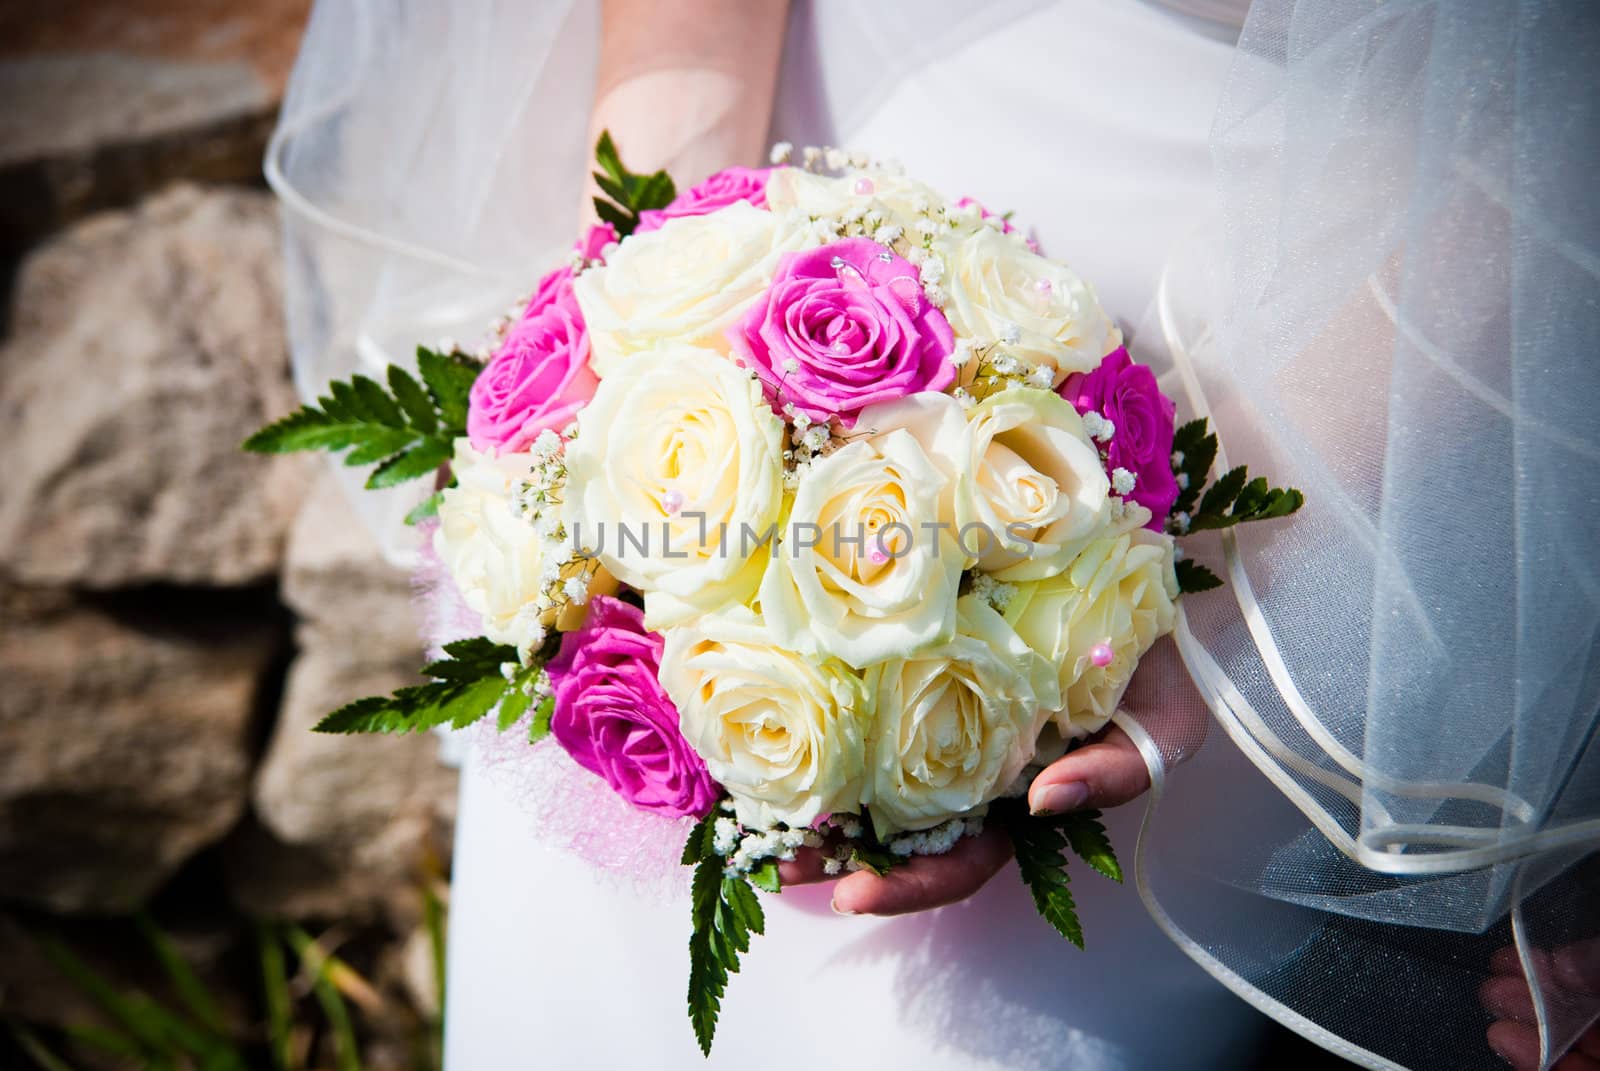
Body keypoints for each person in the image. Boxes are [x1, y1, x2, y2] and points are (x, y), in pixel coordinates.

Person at [267, 1, 1600, 1067]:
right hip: (775, 203)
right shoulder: (667, 356)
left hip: (1313, 383)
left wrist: (1195, 566)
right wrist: (638, 326)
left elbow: (1540, 90)